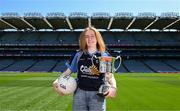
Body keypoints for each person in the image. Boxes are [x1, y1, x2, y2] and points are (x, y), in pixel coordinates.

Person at [53, 26, 117, 111]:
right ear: (84, 39)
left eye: (92, 36)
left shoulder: (104, 56)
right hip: (79, 93)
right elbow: (67, 72)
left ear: (97, 38)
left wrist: (113, 87)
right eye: (86, 36)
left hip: (97, 94)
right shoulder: (78, 55)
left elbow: (110, 76)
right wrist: (57, 81)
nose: (89, 39)